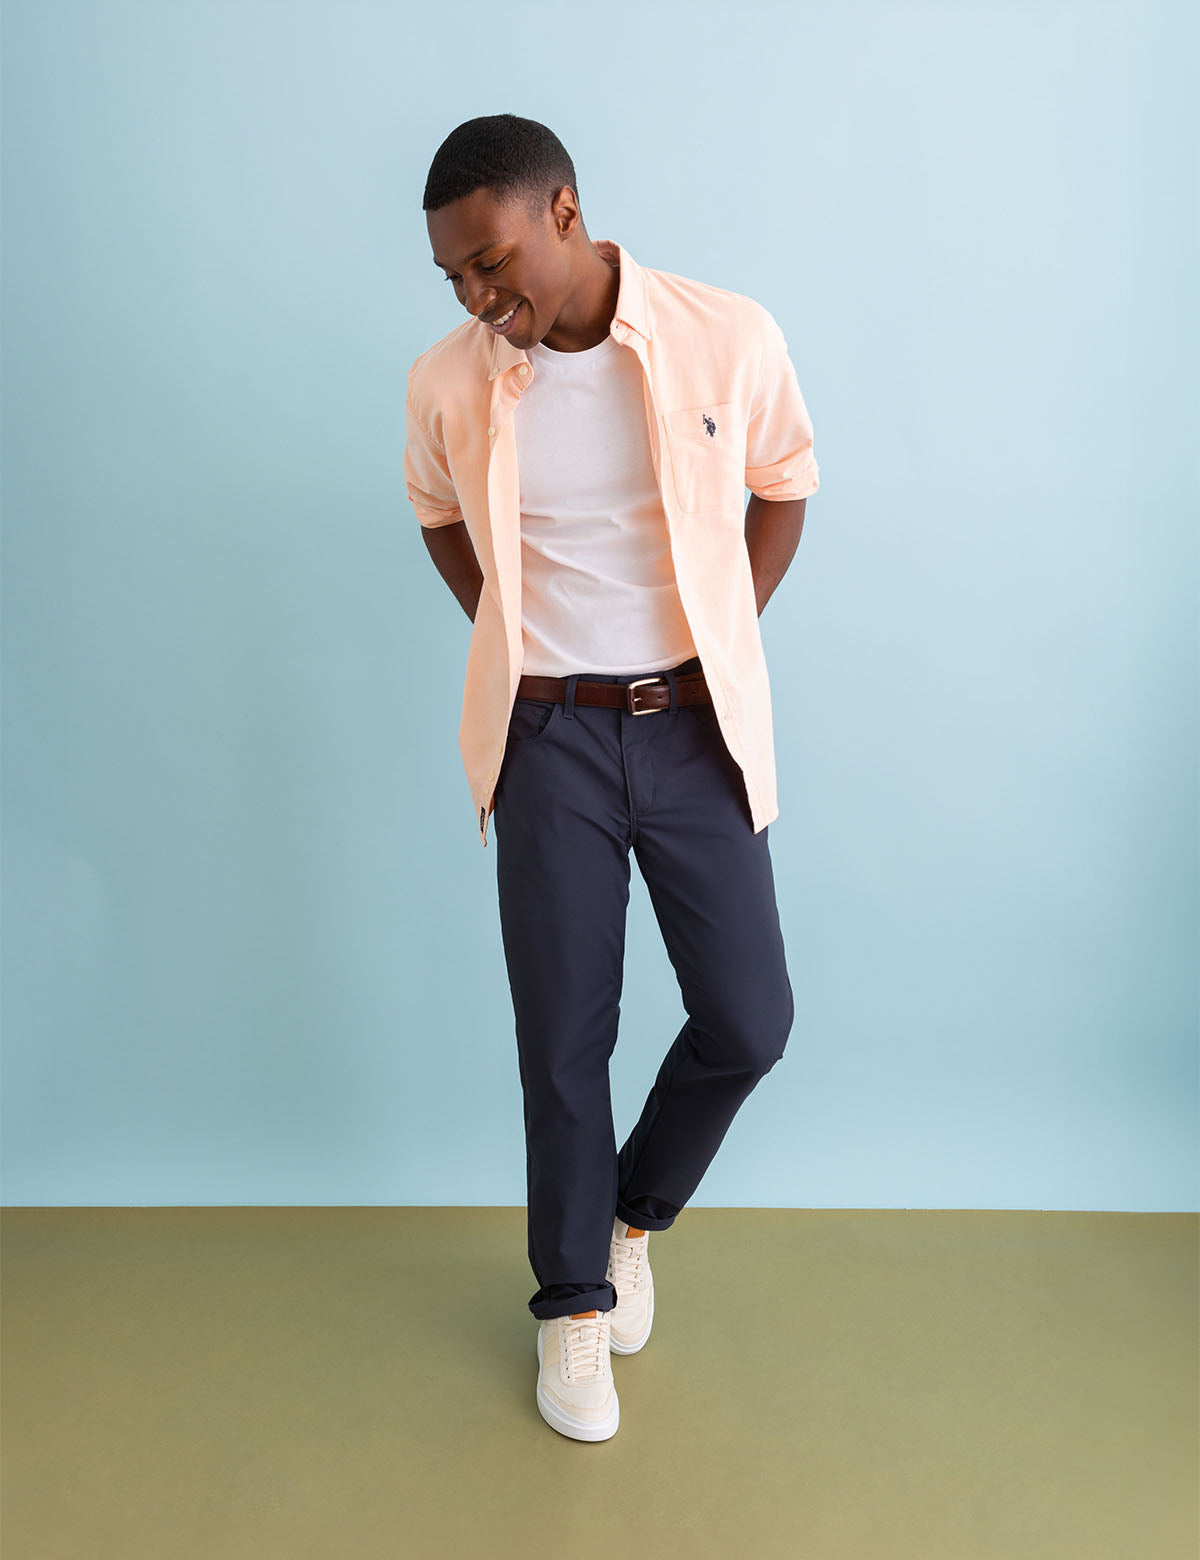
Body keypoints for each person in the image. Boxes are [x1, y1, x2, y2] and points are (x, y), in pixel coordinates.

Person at [404, 113, 820, 1442]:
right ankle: (572, 1302)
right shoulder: (449, 382)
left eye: (491, 262)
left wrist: (722, 639)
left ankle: (630, 1217)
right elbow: (438, 514)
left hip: (697, 729)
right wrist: (516, 647)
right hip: (549, 740)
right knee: (564, 1039)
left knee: (749, 1020)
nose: (478, 297)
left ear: (564, 212)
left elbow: (784, 483)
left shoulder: (724, 335)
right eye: (454, 278)